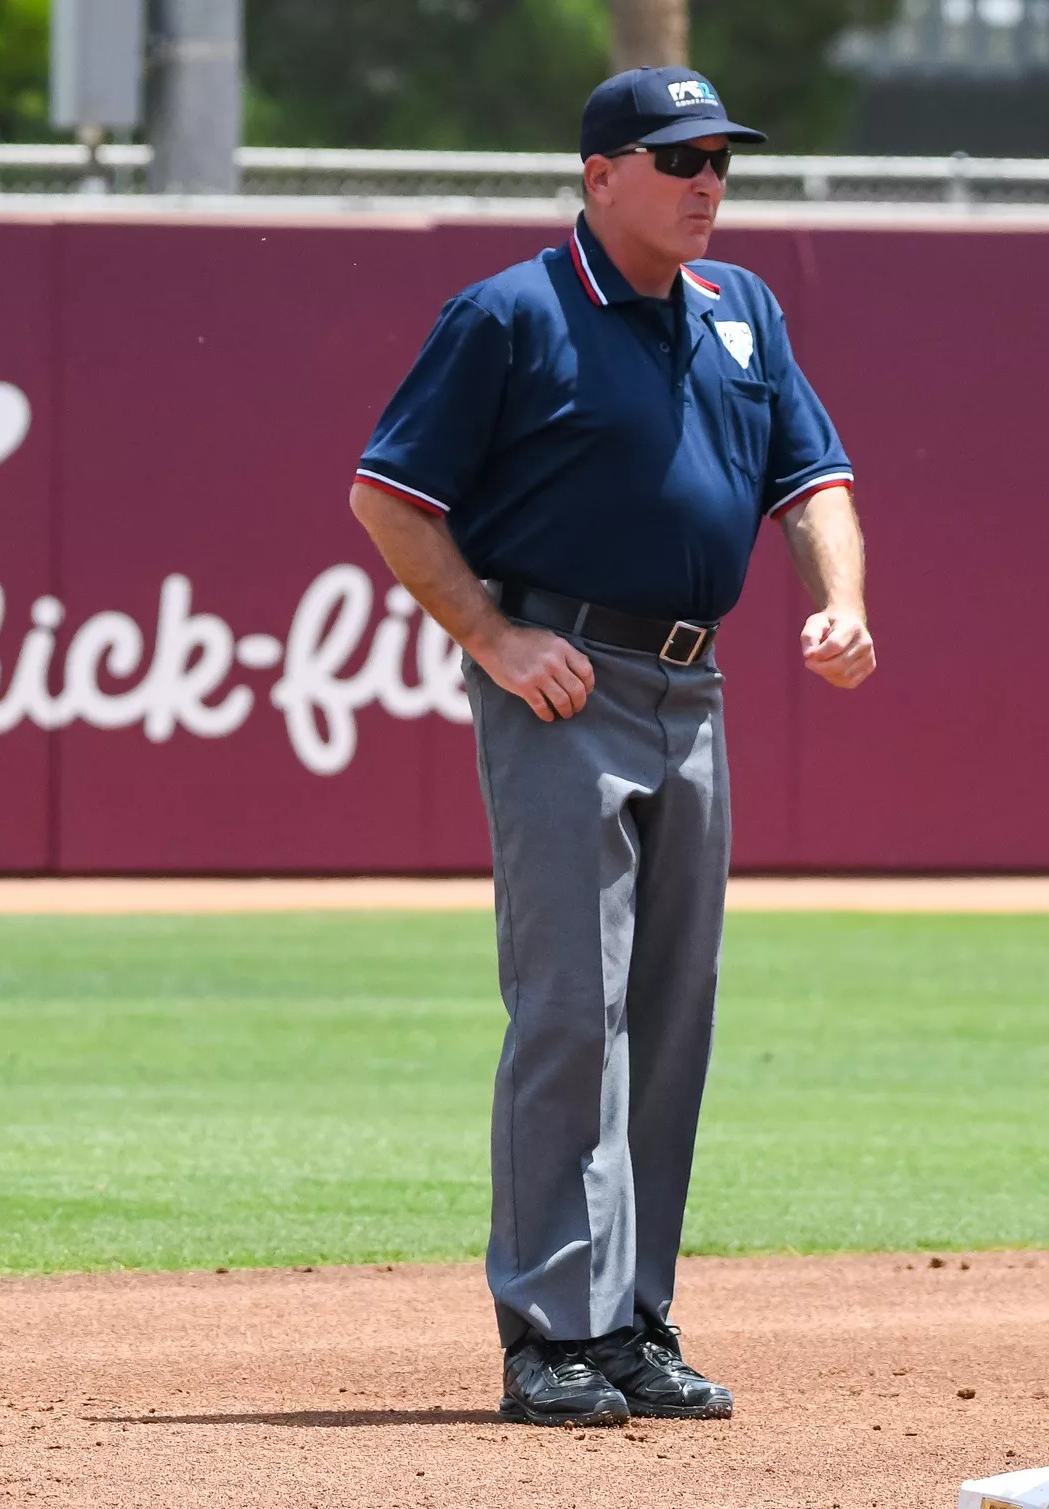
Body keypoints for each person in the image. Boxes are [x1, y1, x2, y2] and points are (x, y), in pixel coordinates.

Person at [347, 67, 875, 1428]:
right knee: (573, 1010)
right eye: (678, 157)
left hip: (692, 689)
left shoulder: (742, 312)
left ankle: (634, 1318)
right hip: (563, 689)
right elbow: (389, 496)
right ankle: (548, 1329)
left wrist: (843, 595)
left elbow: (811, 478)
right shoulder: (513, 315)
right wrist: (492, 636)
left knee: (672, 1019)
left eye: (720, 160)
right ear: (600, 175)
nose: (708, 180)